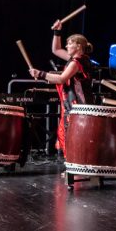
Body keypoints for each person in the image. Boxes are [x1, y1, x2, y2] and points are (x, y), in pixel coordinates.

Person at [29, 20, 95, 158]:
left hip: (78, 104)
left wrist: (40, 74)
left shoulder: (77, 63)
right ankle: (74, 165)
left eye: (69, 43)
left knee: (75, 134)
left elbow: (61, 79)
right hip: (73, 103)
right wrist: (57, 32)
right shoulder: (77, 59)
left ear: (78, 46)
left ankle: (76, 165)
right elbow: (56, 50)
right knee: (72, 133)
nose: (66, 46)